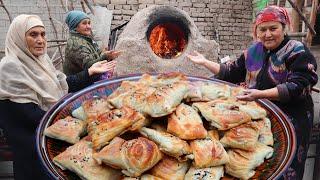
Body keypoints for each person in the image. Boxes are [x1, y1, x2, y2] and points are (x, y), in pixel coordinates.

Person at [187, 6, 318, 179]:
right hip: (262, 116)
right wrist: (204, 62)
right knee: (263, 163)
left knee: (288, 166)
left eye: (273, 28)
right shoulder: (253, 52)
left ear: (283, 27)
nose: (267, 34)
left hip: (292, 118)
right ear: (256, 30)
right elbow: (231, 72)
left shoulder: (297, 51)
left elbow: (299, 85)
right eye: (262, 29)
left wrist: (260, 94)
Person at [0, 14, 114, 179]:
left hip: (50, 141)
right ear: (18, 37)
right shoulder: (11, 68)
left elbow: (63, 84)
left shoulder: (42, 61)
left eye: (43, 34)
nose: (40, 40)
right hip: (31, 150)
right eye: (33, 35)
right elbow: (30, 115)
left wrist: (90, 72)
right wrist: (84, 120)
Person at [63, 10, 120, 78]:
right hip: (80, 85)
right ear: (75, 26)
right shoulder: (75, 43)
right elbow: (89, 67)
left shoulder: (85, 39)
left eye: (89, 23)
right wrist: (105, 56)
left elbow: (97, 54)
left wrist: (108, 54)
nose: (89, 27)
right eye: (84, 23)